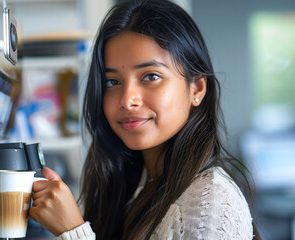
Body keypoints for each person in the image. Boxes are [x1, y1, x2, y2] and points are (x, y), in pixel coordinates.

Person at [29, 0, 259, 239]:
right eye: (113, 82)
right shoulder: (140, 189)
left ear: (197, 89)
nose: (127, 100)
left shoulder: (211, 203)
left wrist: (72, 231)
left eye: (151, 76)